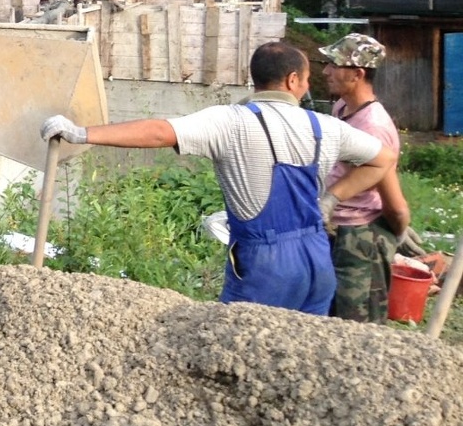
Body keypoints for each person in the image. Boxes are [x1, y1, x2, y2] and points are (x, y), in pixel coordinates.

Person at [40, 41, 396, 315]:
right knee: (303, 356)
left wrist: (82, 133)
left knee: (242, 355)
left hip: (264, 266)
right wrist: (331, 199)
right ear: (292, 81)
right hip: (316, 259)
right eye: (306, 79)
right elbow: (384, 159)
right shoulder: (326, 127)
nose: (308, 86)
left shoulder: (229, 121)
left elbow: (159, 132)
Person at [320, 33, 410, 322]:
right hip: (336, 229)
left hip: (360, 237)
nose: (326, 71)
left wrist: (398, 231)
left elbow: (392, 198)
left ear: (358, 74)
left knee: (358, 323)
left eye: (334, 65)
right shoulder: (343, 109)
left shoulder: (373, 126)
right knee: (330, 314)